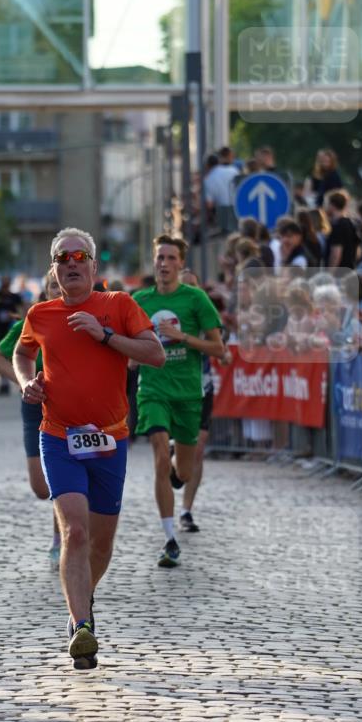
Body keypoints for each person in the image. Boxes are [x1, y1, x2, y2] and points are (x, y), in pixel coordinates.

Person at [13, 228, 164, 669]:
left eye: (80, 256)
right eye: (63, 258)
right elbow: (22, 355)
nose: (72, 263)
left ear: (95, 267)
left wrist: (104, 336)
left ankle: (84, 595)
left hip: (110, 440)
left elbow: (153, 353)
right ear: (54, 269)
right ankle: (81, 624)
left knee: (100, 543)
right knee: (74, 532)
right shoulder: (40, 314)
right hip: (58, 436)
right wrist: (28, 383)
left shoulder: (118, 306)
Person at [133, 234, 225, 567]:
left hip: (188, 394)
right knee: (159, 451)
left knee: (182, 472)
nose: (164, 264)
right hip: (153, 390)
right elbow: (126, 345)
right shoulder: (139, 300)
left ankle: (177, 468)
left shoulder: (196, 300)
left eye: (171, 258)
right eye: (160, 257)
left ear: (181, 264)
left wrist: (182, 337)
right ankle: (169, 538)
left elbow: (220, 349)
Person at [0, 271, 63, 566]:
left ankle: (62, 538)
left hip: (68, 408)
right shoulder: (31, 322)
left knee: (61, 478)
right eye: (52, 285)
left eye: (60, 284)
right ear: (45, 291)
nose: (58, 289)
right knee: (40, 486)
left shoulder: (81, 320)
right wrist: (25, 383)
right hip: (35, 407)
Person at [178, 268, 232, 533]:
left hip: (201, 388)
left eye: (193, 287)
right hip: (170, 388)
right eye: (184, 287)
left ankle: (186, 510)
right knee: (167, 449)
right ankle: (175, 470)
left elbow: (222, 349)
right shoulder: (166, 314)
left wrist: (224, 354)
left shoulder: (206, 315)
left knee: (198, 449)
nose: (189, 292)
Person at [0, 276, 23, 396]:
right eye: (3, 283)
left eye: (7, 283)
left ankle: (9, 382)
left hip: (11, 330)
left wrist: (12, 315)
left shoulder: (15, 297)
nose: (5, 286)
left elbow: (21, 313)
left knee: (10, 357)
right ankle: (4, 383)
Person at [324, 190, 360, 270]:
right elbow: (358, 252)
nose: (325, 208)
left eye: (327, 204)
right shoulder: (351, 223)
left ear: (332, 205)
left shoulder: (338, 226)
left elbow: (336, 254)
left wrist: (329, 274)